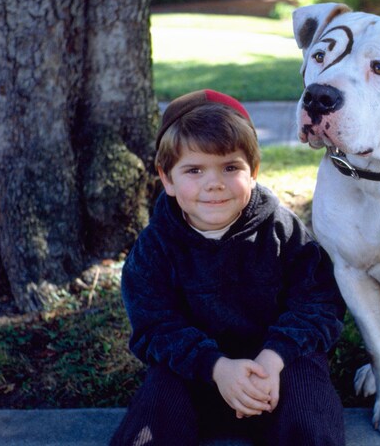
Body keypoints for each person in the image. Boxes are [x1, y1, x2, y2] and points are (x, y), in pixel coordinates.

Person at [110, 89, 346, 446]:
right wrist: (216, 367)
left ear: (253, 171)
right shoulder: (155, 246)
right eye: (194, 169)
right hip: (196, 373)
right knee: (150, 422)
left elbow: (318, 303)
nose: (214, 183)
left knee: (308, 419)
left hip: (276, 370)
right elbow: (154, 326)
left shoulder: (283, 231)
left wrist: (273, 358)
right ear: (167, 178)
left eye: (230, 167)